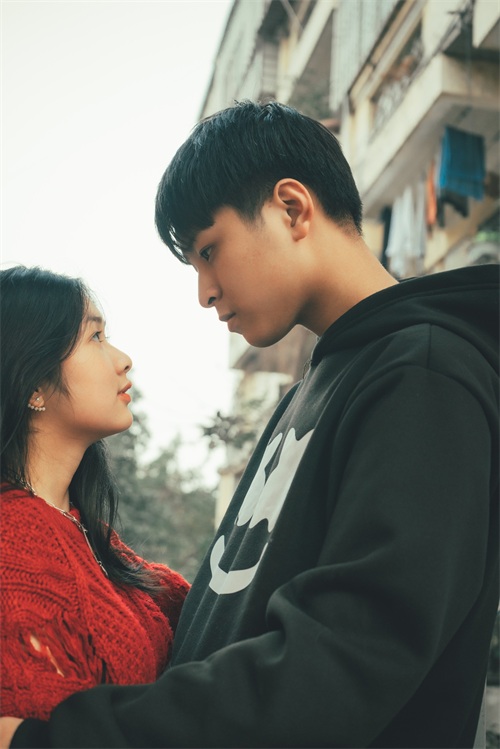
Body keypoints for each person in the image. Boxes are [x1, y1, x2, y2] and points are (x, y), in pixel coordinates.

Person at [4, 101, 499, 748]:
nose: (204, 292)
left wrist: (52, 740)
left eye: (210, 250)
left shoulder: (423, 375)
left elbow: (340, 664)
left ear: (292, 209)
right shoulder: (310, 395)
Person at [0, 266, 189, 724]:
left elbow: (198, 609)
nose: (124, 360)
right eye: (96, 337)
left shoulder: (83, 531)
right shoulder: (13, 543)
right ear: (35, 385)